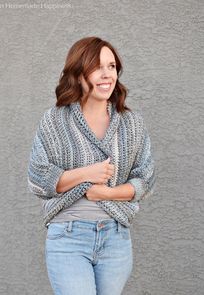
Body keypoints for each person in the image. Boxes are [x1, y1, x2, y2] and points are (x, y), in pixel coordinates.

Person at [27, 36, 156, 295]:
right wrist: (87, 174)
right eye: (97, 67)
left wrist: (107, 193)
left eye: (112, 66)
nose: (107, 74)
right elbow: (38, 179)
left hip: (116, 237)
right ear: (79, 72)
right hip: (68, 235)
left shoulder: (131, 123)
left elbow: (146, 179)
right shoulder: (55, 120)